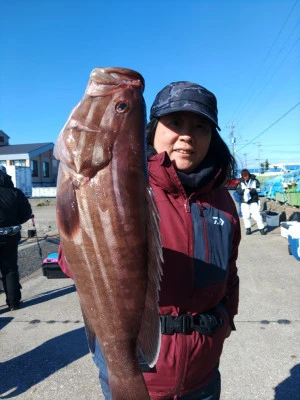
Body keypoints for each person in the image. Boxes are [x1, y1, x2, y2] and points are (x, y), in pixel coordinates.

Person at [58, 81, 241, 400]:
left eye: (200, 125)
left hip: (204, 373)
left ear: (213, 137)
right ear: (152, 129)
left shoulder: (223, 201)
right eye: (175, 123)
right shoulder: (124, 187)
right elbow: (70, 262)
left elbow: (230, 270)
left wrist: (225, 319)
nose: (187, 135)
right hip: (140, 372)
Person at [0, 165, 33, 310]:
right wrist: (14, 222)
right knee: (10, 270)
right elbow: (26, 213)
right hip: (10, 236)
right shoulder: (15, 192)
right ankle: (13, 303)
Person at [235, 169, 266, 235]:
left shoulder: (255, 180)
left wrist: (252, 190)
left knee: (257, 215)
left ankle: (261, 229)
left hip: (253, 200)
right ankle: (248, 229)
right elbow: (237, 191)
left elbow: (259, 189)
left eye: (247, 176)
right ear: (242, 176)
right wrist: (244, 191)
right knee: (246, 215)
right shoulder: (240, 182)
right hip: (244, 201)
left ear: (249, 175)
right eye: (244, 176)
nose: (246, 177)